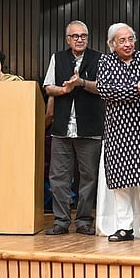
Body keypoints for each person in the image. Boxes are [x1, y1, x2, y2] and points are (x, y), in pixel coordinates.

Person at [96, 23, 140, 243]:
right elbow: (104, 89)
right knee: (120, 182)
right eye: (122, 41)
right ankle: (124, 228)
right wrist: (135, 89)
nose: (127, 44)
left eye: (130, 39)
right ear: (112, 44)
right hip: (118, 130)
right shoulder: (106, 61)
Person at [43, 20, 103, 235]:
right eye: (75, 36)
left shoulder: (99, 58)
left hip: (91, 128)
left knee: (89, 177)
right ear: (67, 39)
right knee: (58, 176)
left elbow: (104, 88)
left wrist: (82, 83)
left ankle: (85, 220)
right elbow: (48, 86)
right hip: (62, 128)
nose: (79, 39)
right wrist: (65, 90)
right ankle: (61, 221)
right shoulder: (57, 58)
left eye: (83, 36)